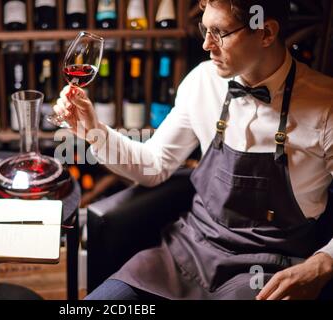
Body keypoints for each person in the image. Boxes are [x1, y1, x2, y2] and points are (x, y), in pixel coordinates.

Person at [54, 0, 333, 300]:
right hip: (187, 254)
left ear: (265, 32)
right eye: (205, 28)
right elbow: (154, 165)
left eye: (219, 32)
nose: (205, 44)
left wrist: (324, 261)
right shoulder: (203, 81)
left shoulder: (326, 104)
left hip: (267, 271)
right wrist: (94, 131)